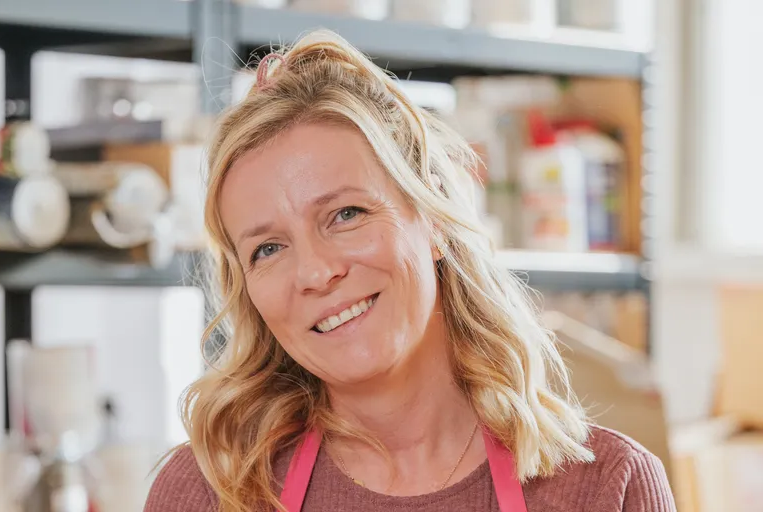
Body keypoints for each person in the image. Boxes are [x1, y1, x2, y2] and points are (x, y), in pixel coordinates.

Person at [145, 30, 676, 512]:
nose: (315, 272)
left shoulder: (607, 487)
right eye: (268, 248)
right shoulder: (207, 491)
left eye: (346, 214)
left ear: (435, 219)